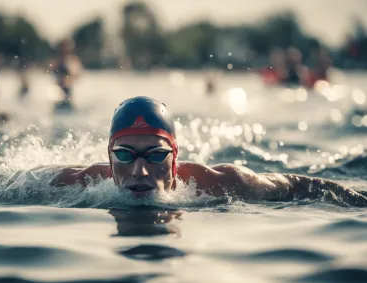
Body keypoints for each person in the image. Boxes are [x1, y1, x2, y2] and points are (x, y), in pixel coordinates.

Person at [24, 96, 367, 206]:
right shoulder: (82, 184)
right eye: (126, 156)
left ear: (175, 158)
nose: (140, 172)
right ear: (110, 159)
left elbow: (296, 186)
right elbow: (12, 183)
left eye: (156, 155)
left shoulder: (220, 184)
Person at [49, 38, 83, 112]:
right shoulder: (56, 61)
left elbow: (77, 75)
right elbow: (49, 72)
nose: (65, 50)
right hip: (58, 95)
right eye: (63, 48)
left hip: (68, 95)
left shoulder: (72, 61)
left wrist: (69, 78)